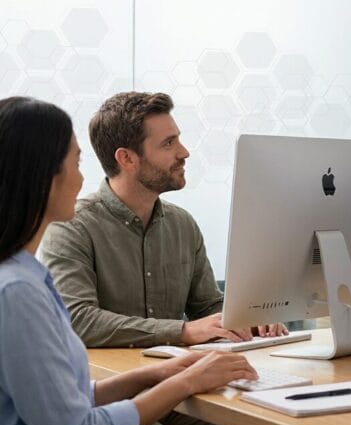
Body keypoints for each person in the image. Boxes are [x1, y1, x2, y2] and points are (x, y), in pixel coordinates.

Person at [0, 96, 257, 425]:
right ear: (41, 177)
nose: (80, 180)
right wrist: (185, 380)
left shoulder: (23, 278)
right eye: (76, 164)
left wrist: (164, 371)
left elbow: (68, 399)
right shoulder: (17, 291)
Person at [41, 91, 286, 348]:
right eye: (168, 144)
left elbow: (206, 307)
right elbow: (77, 320)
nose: (184, 152)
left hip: (179, 377)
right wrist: (180, 331)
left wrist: (250, 319)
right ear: (127, 158)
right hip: (109, 382)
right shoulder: (71, 227)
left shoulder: (183, 225)